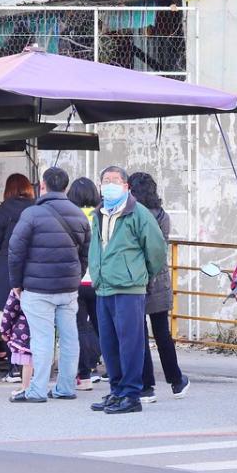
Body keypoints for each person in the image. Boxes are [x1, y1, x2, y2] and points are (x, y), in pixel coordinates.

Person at [7, 167, 91, 403]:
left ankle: (37, 389)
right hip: (68, 289)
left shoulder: (32, 214)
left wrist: (16, 283)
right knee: (69, 337)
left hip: (37, 289)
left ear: (42, 186)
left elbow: (15, 251)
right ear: (66, 187)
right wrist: (76, 277)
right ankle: (65, 387)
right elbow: (86, 252)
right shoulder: (79, 215)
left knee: (42, 339)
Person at [88, 166, 167, 415]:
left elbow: (156, 250)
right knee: (109, 343)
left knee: (130, 342)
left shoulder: (138, 214)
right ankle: (117, 389)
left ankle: (132, 393)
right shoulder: (99, 214)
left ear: (125, 186)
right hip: (103, 287)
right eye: (105, 180)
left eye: (114, 180)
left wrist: (141, 274)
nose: (109, 184)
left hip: (129, 287)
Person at [128, 172, 189, 403]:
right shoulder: (163, 216)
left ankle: (146, 386)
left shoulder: (132, 215)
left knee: (140, 334)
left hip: (136, 278)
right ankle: (176, 381)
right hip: (160, 279)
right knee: (162, 333)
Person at [0, 173, 35, 383]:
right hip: (33, 270)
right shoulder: (37, 208)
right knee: (31, 320)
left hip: (7, 271)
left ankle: (13, 366)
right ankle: (30, 367)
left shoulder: (5, 208)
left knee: (7, 319)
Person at [67, 177, 101, 391]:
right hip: (99, 280)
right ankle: (111, 368)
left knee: (78, 327)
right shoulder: (101, 216)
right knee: (103, 326)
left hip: (76, 279)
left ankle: (84, 375)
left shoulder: (70, 217)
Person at [0, 289, 33, 395]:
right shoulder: (45, 285)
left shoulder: (19, 288)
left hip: (24, 329)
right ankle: (39, 386)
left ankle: (25, 386)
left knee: (28, 361)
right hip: (44, 327)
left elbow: (9, 311)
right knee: (41, 360)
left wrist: (5, 331)